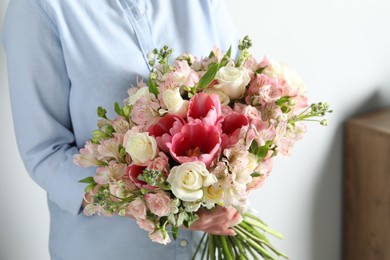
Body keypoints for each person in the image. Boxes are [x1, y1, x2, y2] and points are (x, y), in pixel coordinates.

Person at [2, 0, 242, 259]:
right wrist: (161, 206)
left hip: (207, 248)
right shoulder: (40, 7)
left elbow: (239, 96)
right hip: (110, 250)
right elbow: (45, 153)